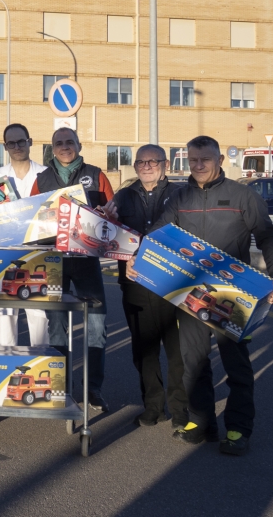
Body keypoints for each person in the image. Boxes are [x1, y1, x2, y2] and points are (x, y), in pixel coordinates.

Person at [147, 135, 273, 455]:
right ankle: (201, 421)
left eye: (205, 160)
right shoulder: (179, 198)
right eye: (192, 159)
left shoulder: (242, 195)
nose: (198, 165)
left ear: (220, 160)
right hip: (192, 292)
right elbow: (156, 234)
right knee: (193, 363)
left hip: (234, 296)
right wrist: (134, 256)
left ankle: (238, 428)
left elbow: (267, 235)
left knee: (236, 366)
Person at [103, 145, 186, 430]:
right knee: (143, 350)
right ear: (135, 166)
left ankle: (179, 408)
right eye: (141, 161)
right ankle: (153, 407)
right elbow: (111, 237)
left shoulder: (180, 194)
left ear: (165, 164)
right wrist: (106, 219)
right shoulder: (123, 196)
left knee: (178, 351)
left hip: (174, 284)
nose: (147, 165)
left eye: (153, 161)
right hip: (135, 284)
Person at [31, 126, 113, 411]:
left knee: (97, 325)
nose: (65, 146)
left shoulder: (96, 174)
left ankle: (93, 389)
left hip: (87, 260)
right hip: (54, 260)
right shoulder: (41, 180)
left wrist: (106, 217)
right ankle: (60, 385)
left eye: (70, 142)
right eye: (59, 143)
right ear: (52, 148)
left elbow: (112, 215)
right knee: (56, 326)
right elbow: (30, 221)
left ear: (79, 144)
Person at [0, 123, 48, 348]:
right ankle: (6, 362)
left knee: (40, 316)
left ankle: (40, 362)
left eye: (21, 141)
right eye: (11, 143)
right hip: (6, 253)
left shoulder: (45, 175)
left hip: (39, 252)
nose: (17, 146)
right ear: (5, 146)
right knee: (4, 316)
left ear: (30, 142)